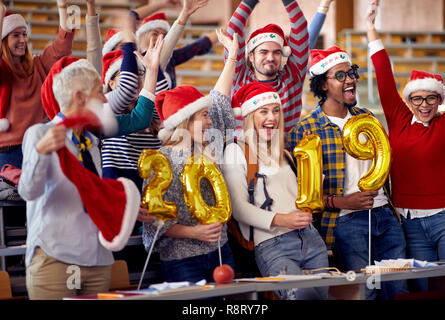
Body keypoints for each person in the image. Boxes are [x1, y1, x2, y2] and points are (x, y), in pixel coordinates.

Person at [18, 35, 163, 300]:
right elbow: (28, 191)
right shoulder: (40, 134)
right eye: (100, 92)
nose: (106, 100)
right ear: (79, 97)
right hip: (55, 257)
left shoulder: (92, 139)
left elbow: (94, 193)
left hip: (97, 258)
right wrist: (40, 154)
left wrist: (123, 207)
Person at [287, 46, 408, 300]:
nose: (350, 79)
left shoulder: (367, 118)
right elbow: (301, 195)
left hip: (385, 218)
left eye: (351, 73)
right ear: (322, 85)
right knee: (365, 293)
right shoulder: (306, 130)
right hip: (347, 223)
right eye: (340, 76)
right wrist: (342, 202)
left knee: (397, 291)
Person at [141, 29, 237, 283]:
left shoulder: (210, 148)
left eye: (207, 115)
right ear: (183, 122)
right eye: (202, 116)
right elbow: (154, 225)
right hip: (183, 261)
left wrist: (233, 58)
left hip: (220, 252)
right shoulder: (160, 161)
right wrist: (195, 232)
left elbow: (219, 100)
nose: (210, 121)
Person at [366, 0, 445, 292]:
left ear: (440, 101)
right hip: (410, 222)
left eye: (431, 99)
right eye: (417, 99)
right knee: (424, 289)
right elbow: (384, 76)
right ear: (409, 100)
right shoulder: (399, 119)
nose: (424, 105)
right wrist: (371, 29)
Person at [222, 82, 329, 300]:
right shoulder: (237, 150)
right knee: (303, 297)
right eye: (264, 111)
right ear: (250, 115)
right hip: (273, 245)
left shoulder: (286, 155)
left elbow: (303, 198)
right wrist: (282, 219)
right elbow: (238, 209)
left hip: (311, 239)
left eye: (276, 110)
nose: (272, 117)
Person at [100, 0, 209, 191]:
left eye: (140, 74)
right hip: (117, 191)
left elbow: (160, 60)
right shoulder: (107, 107)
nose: (135, 80)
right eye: (128, 75)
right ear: (111, 83)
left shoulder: (152, 104)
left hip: (153, 189)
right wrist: (129, 36)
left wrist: (183, 16)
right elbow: (127, 88)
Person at [226, 0, 333, 135]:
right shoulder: (239, 78)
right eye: (263, 52)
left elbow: (300, 28)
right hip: (243, 154)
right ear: (251, 56)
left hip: (283, 154)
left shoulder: (291, 80)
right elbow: (233, 30)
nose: (270, 58)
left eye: (277, 52)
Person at [0, 0, 74, 169]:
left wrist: (62, 7)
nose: (22, 40)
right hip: (6, 152)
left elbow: (63, 45)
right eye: (15, 35)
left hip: (38, 147)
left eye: (24, 34)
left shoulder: (38, 64)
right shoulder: (3, 70)